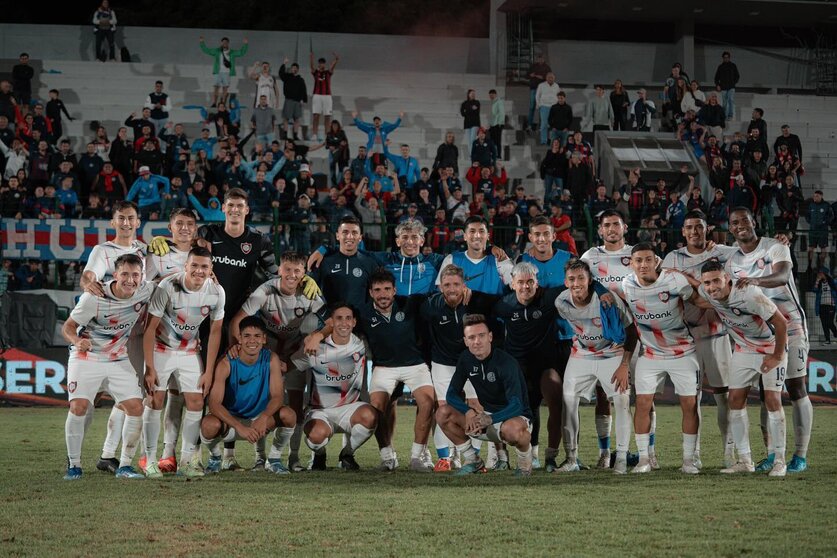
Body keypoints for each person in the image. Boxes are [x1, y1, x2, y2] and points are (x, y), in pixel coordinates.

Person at [725, 208, 813, 473]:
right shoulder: (731, 258)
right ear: (730, 228)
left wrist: (755, 280)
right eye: (734, 222)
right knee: (767, 394)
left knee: (796, 389)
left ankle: (800, 455)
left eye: (744, 220)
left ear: (755, 222)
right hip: (762, 334)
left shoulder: (775, 246)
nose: (740, 225)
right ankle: (772, 454)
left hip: (792, 326)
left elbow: (783, 276)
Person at [61, 254, 155, 480]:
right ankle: (74, 465)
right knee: (79, 407)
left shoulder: (146, 290)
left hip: (117, 358)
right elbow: (68, 327)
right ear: (115, 275)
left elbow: (174, 282)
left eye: (135, 275)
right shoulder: (94, 297)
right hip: (87, 356)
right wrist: (77, 341)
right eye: (125, 274)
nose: (130, 280)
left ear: (142, 276)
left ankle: (124, 466)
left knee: (135, 407)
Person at [229, 251, 325, 471]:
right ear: (279, 270)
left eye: (297, 270)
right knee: (262, 404)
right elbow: (237, 321)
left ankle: (293, 457)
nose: (292, 275)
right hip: (266, 351)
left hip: (294, 352)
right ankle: (261, 458)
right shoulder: (264, 291)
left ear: (304, 273)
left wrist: (317, 335)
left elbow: (329, 322)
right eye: (287, 269)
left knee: (295, 405)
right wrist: (237, 346)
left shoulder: (310, 293)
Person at [693, 260, 788, 476]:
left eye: (716, 280)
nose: (711, 286)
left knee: (773, 400)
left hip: (770, 348)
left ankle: (780, 461)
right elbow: (696, 293)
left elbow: (781, 323)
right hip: (744, 350)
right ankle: (745, 460)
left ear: (727, 278)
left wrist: (777, 355)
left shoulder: (749, 294)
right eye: (707, 282)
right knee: (734, 400)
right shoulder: (707, 292)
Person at [662, 210, 738, 468]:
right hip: (686, 336)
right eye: (689, 227)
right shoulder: (673, 257)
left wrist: (781, 241)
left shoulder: (724, 253)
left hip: (717, 334)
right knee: (690, 398)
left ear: (707, 229)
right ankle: (692, 455)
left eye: (699, 227)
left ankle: (730, 453)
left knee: (723, 396)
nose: (694, 231)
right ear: (682, 231)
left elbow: (752, 252)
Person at [141, 247, 226, 479]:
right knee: (155, 400)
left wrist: (208, 371)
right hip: (161, 349)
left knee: (196, 402)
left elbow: (216, 332)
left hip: (189, 351)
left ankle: (188, 461)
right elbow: (149, 329)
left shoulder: (217, 292)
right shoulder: (167, 286)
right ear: (186, 266)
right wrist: (149, 367)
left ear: (211, 270)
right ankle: (148, 459)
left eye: (204, 267)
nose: (199, 271)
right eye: (195, 266)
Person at [621, 242, 701, 474]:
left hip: (683, 352)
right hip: (651, 354)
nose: (643, 264)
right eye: (638, 260)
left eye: (648, 259)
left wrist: (690, 278)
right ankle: (644, 459)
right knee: (643, 404)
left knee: (689, 405)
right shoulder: (627, 284)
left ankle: (688, 461)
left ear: (656, 261)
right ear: (632, 263)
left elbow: (698, 300)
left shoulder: (674, 280)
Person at [555, 259, 636, 473]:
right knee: (568, 401)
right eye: (571, 279)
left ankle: (620, 458)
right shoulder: (561, 303)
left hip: (612, 352)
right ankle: (571, 458)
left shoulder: (608, 300)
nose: (576, 283)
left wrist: (624, 365)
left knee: (621, 400)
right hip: (582, 353)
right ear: (565, 282)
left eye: (581, 278)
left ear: (590, 280)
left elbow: (631, 332)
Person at [353, 269, 437, 471]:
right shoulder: (362, 313)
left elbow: (437, 297)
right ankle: (387, 457)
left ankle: (417, 457)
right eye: (378, 290)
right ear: (371, 293)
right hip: (383, 367)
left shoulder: (410, 303)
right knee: (377, 406)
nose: (383, 294)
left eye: (387, 289)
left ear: (394, 290)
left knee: (427, 402)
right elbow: (339, 320)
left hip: (415, 365)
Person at [436, 314, 534, 477]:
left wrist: (490, 419)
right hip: (485, 419)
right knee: (443, 413)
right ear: (466, 341)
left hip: (515, 417)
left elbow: (517, 405)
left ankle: (525, 462)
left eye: (481, 336)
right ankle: (472, 460)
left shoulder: (506, 362)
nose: (477, 341)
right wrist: (468, 412)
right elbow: (451, 394)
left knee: (513, 430)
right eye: (471, 337)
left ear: (490, 337)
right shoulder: (465, 359)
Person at [420, 265, 495, 471]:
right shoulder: (431, 305)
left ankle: (474, 456)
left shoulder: (476, 303)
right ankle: (445, 457)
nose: (451, 289)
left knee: (476, 406)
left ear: (464, 286)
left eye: (456, 284)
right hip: (443, 363)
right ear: (440, 287)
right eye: (447, 285)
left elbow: (499, 303)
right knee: (444, 409)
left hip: (473, 362)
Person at [199, 316, 297, 474]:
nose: (252, 341)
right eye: (247, 336)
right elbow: (214, 403)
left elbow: (278, 396)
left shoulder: (271, 359)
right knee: (208, 425)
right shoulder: (226, 363)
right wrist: (239, 426)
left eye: (257, 336)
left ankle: (273, 459)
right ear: (239, 338)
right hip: (232, 422)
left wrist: (264, 417)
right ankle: (215, 458)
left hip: (259, 421)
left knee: (289, 415)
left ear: (264, 339)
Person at [291, 303, 378, 470]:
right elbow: (290, 366)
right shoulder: (315, 347)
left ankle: (347, 454)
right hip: (320, 410)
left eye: (348, 318)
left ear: (354, 322)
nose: (344, 323)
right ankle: (319, 454)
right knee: (316, 438)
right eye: (339, 318)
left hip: (350, 408)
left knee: (371, 416)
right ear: (331, 321)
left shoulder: (361, 344)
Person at [199, 36, 249, 108]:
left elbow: (241, 52)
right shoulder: (217, 51)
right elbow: (207, 50)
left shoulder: (232, 52)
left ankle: (223, 103)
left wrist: (245, 44)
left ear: (228, 43)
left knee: (225, 88)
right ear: (221, 43)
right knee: (216, 87)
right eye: (223, 42)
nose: (224, 43)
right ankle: (214, 103)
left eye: (226, 42)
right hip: (218, 72)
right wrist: (202, 42)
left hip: (227, 72)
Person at [309, 52, 340, 142]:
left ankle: (327, 135)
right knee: (316, 116)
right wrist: (311, 58)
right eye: (320, 63)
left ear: (324, 64)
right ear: (318, 64)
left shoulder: (328, 73)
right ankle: (315, 134)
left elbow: (332, 67)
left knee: (327, 116)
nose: (321, 64)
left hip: (327, 96)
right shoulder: (316, 72)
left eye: (323, 63)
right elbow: (311, 67)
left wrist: (336, 60)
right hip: (317, 95)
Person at [278, 58, 308, 141]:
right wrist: (284, 64)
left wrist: (304, 100)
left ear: (297, 70)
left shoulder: (300, 79)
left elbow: (303, 90)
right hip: (289, 100)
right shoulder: (287, 77)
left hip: (297, 101)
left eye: (296, 68)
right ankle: (285, 134)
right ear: (291, 69)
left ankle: (295, 135)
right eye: (293, 68)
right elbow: (281, 74)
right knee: (286, 118)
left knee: (297, 119)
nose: (294, 69)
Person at [527, 53, 551, 132]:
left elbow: (548, 78)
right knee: (531, 107)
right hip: (533, 89)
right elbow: (527, 75)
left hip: (542, 91)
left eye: (541, 58)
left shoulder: (547, 68)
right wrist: (531, 75)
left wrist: (538, 76)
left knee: (542, 108)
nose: (540, 60)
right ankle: (529, 125)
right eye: (539, 58)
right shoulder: (533, 66)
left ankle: (542, 126)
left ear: (544, 59)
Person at [535, 73, 560, 145]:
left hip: (554, 107)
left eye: (552, 77)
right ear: (546, 78)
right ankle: (543, 140)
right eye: (549, 77)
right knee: (544, 124)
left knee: (554, 124)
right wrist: (538, 104)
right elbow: (537, 95)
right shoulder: (541, 85)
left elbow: (559, 95)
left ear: (554, 78)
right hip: (544, 106)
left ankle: (553, 141)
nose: (550, 79)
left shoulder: (556, 86)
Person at [714, 51, 740, 121]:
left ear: (729, 58)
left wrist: (733, 82)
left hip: (731, 87)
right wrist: (718, 85)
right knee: (725, 102)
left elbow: (737, 76)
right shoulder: (720, 67)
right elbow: (716, 78)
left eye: (727, 57)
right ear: (723, 58)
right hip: (723, 87)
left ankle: (730, 115)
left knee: (730, 100)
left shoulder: (733, 65)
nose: (726, 59)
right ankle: (724, 116)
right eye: (725, 57)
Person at [814, 269, 837, 345]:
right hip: (822, 306)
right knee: (824, 324)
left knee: (829, 322)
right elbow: (814, 290)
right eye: (819, 274)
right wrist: (817, 280)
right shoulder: (820, 284)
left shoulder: (832, 282)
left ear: (825, 274)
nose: (819, 275)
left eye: (821, 273)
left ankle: (835, 333)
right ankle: (827, 340)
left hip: (831, 305)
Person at [488, 89, 505, 158]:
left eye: (492, 95)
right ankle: (494, 154)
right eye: (490, 96)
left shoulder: (499, 101)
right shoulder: (493, 102)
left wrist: (500, 123)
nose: (490, 97)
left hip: (497, 124)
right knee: (492, 141)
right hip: (492, 124)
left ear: (495, 94)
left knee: (497, 141)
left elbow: (501, 113)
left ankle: (499, 155)